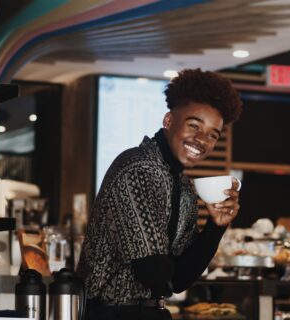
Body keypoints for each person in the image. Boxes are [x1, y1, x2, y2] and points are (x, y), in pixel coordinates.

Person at [77, 68, 243, 320]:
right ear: (168, 121)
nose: (201, 140)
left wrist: (215, 227)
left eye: (212, 135)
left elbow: (179, 280)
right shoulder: (138, 167)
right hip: (111, 313)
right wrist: (171, 268)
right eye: (194, 126)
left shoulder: (184, 186)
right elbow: (152, 271)